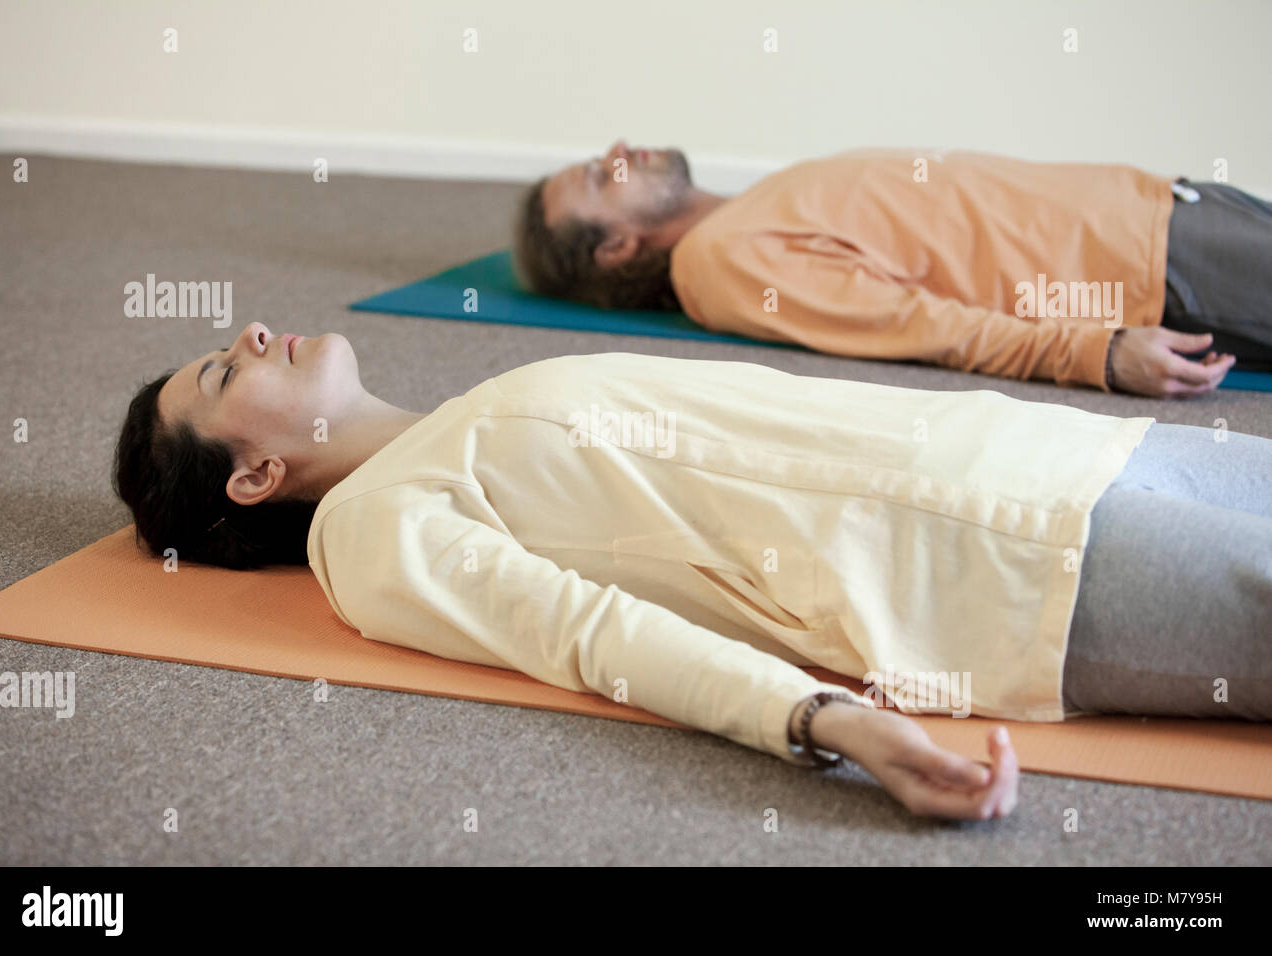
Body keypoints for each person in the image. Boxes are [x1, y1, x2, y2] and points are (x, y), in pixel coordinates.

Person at [113, 324, 1272, 821]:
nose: (255, 332)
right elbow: (593, 635)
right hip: (1016, 568)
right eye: (226, 369)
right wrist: (819, 720)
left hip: (1054, 449)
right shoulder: (367, 534)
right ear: (255, 475)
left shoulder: (465, 409)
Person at [513, 141, 1272, 397]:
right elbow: (914, 326)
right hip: (1152, 264)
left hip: (1159, 207)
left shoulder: (742, 216)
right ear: (615, 247)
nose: (616, 149)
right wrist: (1097, 353)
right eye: (596, 177)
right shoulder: (719, 262)